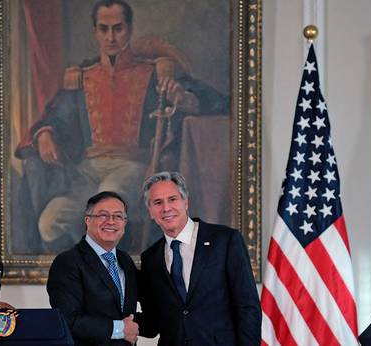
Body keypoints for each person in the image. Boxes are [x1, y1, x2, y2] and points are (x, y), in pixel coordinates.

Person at [15, 0, 229, 253]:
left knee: (108, 204)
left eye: (118, 28)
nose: (111, 37)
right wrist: (44, 134)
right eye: (104, 29)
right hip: (86, 172)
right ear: (95, 31)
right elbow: (55, 116)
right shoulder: (82, 76)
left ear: (129, 29)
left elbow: (218, 101)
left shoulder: (155, 72)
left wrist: (185, 99)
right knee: (50, 222)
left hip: (133, 168)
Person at [138, 171, 261, 345]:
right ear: (150, 211)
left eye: (172, 199)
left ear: (185, 202)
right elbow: (153, 322)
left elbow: (247, 306)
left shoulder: (225, 240)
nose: (166, 208)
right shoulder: (151, 258)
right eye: (157, 202)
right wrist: (112, 323)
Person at [47, 191, 139, 345]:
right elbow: (68, 320)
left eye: (118, 216)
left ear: (124, 223)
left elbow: (128, 313)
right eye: (103, 215)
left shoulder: (125, 260)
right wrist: (120, 329)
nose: (111, 221)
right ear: (87, 221)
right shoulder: (67, 262)